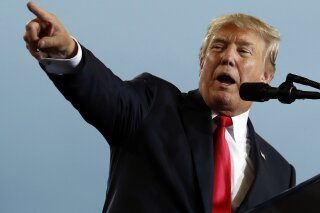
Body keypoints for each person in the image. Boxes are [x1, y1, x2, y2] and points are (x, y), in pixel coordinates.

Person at [24, 2, 295, 213]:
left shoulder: (281, 174)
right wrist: (67, 53)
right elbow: (105, 94)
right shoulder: (154, 106)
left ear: (266, 76)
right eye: (218, 47)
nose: (227, 57)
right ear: (202, 63)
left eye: (244, 51)